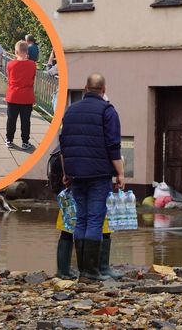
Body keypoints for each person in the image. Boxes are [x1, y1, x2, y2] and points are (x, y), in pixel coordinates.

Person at [59, 73, 124, 281]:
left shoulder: (70, 111)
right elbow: (113, 145)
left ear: (85, 88)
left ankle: (81, 270)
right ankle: (91, 271)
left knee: (81, 220)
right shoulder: (108, 111)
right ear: (103, 90)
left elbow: (63, 147)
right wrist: (120, 173)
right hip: (99, 174)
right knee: (95, 220)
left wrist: (66, 173)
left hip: (76, 173)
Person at [5, 40, 36, 150]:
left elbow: (9, 79)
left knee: (11, 120)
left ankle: (9, 140)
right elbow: (32, 78)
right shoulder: (32, 65)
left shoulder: (10, 64)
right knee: (26, 121)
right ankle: (25, 142)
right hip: (27, 97)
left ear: (16, 51)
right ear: (27, 51)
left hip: (13, 95)